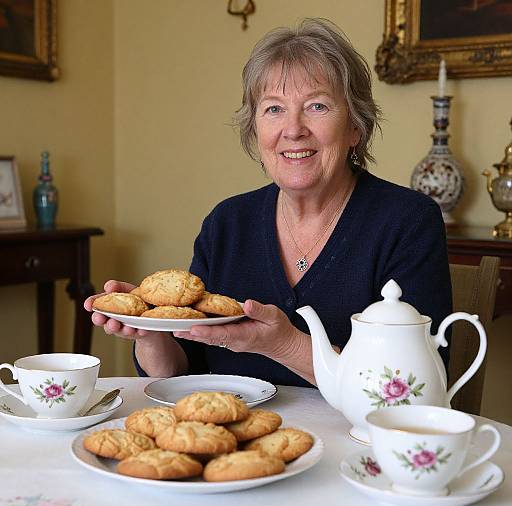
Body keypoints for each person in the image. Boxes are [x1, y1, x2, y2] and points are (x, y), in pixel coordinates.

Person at [84, 18, 452, 387]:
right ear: (255, 128)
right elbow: (184, 371)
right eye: (274, 109)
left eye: (317, 106)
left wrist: (285, 345)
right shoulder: (227, 223)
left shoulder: (407, 221)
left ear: (355, 127)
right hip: (240, 440)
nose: (293, 129)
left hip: (357, 442)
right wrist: (152, 331)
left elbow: (414, 385)